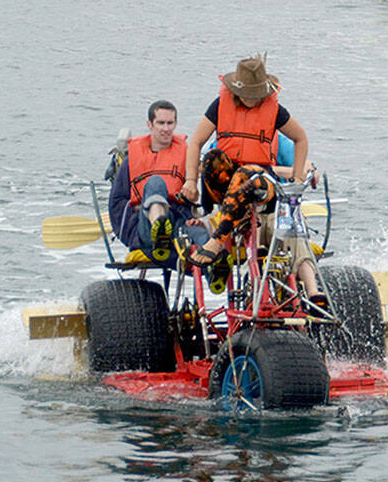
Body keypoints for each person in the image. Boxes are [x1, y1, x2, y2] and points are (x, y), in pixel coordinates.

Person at [180, 55, 326, 303]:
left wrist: (299, 174)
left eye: (257, 93)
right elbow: (195, 142)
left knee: (247, 174)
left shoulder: (276, 112)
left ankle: (217, 241)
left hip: (261, 185)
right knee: (213, 158)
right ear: (236, 90)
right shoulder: (219, 106)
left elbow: (302, 138)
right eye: (248, 93)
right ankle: (232, 227)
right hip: (228, 190)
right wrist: (190, 181)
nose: (253, 98)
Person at [107, 100, 197, 260]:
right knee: (156, 182)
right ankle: (159, 229)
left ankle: (216, 274)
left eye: (170, 123)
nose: (166, 128)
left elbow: (196, 199)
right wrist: (129, 233)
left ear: (176, 124)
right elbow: (117, 202)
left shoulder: (186, 155)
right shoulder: (131, 160)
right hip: (144, 227)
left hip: (177, 223)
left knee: (202, 236)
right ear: (150, 124)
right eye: (161, 123)